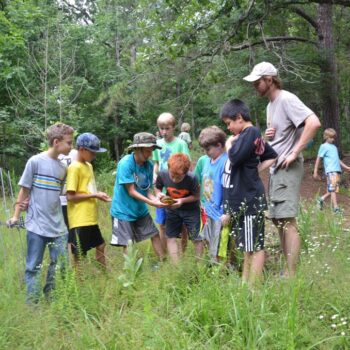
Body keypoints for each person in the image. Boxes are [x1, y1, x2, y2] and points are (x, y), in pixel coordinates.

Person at [243, 61, 321, 277]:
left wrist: (295, 152)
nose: (255, 86)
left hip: (287, 166)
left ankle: (291, 274)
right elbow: (284, 132)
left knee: (287, 220)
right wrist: (270, 136)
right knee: (278, 220)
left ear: (269, 79)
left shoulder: (286, 98)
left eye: (257, 82)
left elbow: (313, 122)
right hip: (276, 168)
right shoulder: (270, 105)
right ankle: (287, 270)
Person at [7, 123, 74, 303]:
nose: (71, 147)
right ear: (56, 142)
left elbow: (56, 195)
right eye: (69, 143)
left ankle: (51, 296)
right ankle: (33, 304)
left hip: (58, 226)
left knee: (61, 265)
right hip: (36, 225)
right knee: (33, 267)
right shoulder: (35, 161)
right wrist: (15, 215)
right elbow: (24, 191)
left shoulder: (63, 168)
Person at [220, 99, 277, 285]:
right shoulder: (247, 135)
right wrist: (255, 169)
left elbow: (235, 157)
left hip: (250, 199)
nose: (228, 128)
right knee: (247, 245)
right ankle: (246, 282)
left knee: (255, 246)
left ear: (239, 118)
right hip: (241, 199)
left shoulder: (250, 132)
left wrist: (229, 144)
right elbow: (270, 156)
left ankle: (253, 287)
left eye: (229, 123)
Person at [110, 132, 166, 259]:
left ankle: (163, 261)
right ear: (137, 149)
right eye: (147, 151)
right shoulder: (126, 163)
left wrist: (157, 198)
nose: (150, 154)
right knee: (128, 243)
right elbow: (131, 191)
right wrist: (152, 203)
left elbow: (147, 190)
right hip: (123, 210)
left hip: (140, 210)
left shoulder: (149, 165)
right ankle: (130, 273)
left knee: (154, 234)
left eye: (151, 151)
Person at [66, 133, 111, 269]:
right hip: (79, 219)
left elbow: (88, 190)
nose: (94, 156)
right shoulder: (74, 167)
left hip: (90, 217)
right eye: (92, 152)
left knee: (101, 245)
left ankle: (104, 275)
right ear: (81, 150)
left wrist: (97, 195)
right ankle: (81, 284)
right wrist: (95, 196)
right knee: (80, 253)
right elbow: (70, 196)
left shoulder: (88, 166)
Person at [154, 153, 203, 263]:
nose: (175, 180)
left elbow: (197, 196)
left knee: (196, 238)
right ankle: (176, 266)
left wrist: (182, 201)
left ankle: (200, 267)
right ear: (168, 169)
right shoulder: (162, 174)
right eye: (172, 176)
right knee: (171, 237)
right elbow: (157, 188)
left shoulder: (192, 178)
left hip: (191, 210)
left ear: (185, 173)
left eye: (179, 177)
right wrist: (159, 195)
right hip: (172, 210)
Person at [153, 113, 190, 251]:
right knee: (162, 223)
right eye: (161, 128)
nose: (164, 132)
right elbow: (156, 163)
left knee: (183, 225)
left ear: (173, 127)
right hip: (163, 191)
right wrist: (154, 177)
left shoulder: (181, 144)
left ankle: (184, 253)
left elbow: (187, 166)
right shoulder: (157, 144)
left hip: (179, 190)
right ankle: (165, 256)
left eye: (167, 128)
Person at [197, 126, 228, 262]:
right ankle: (213, 270)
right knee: (208, 243)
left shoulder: (225, 162)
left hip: (220, 213)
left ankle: (223, 274)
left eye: (208, 149)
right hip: (208, 211)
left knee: (221, 248)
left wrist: (227, 212)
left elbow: (228, 189)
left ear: (219, 145)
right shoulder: (207, 161)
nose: (206, 152)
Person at [313, 128, 350, 213]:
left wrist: (346, 167)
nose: (333, 139)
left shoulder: (334, 147)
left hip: (337, 170)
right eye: (331, 137)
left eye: (334, 138)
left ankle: (320, 199)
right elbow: (318, 158)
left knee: (332, 189)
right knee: (333, 189)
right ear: (326, 137)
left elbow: (338, 160)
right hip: (330, 170)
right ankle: (336, 208)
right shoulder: (323, 146)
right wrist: (315, 171)